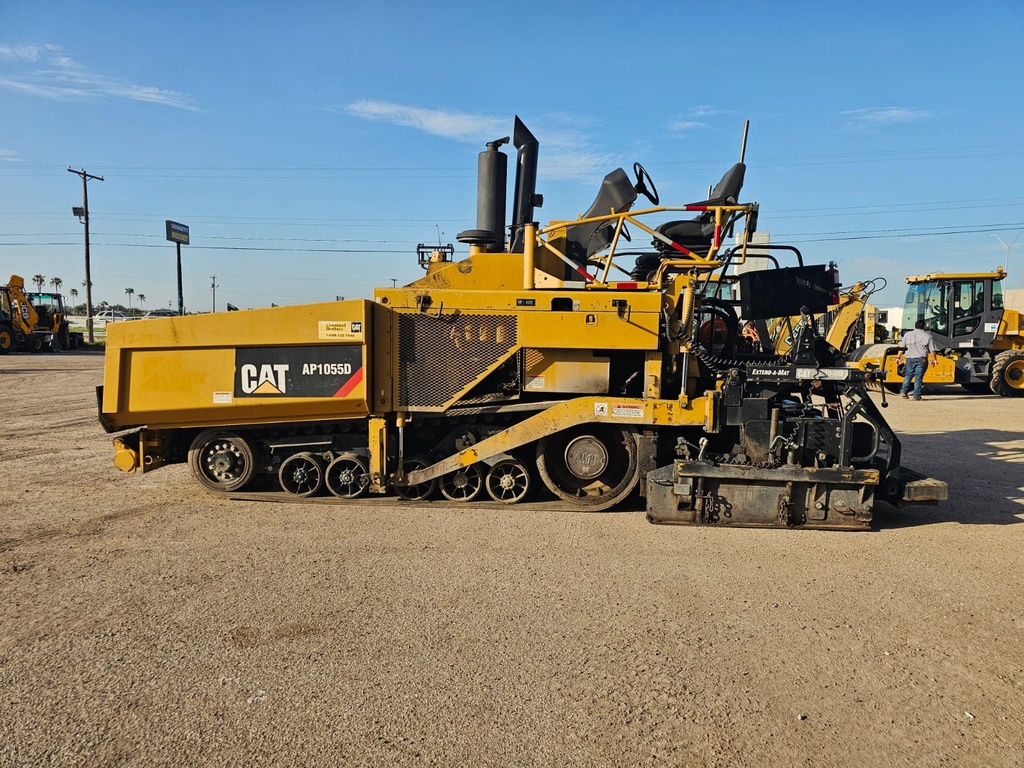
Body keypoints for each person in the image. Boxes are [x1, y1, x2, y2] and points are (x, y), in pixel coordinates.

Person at [895, 320, 939, 401]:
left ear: (915, 326)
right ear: (924, 326)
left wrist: (898, 357)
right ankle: (916, 396)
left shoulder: (907, 335)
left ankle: (904, 391)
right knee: (918, 378)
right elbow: (932, 350)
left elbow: (902, 348)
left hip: (909, 358)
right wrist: (934, 359)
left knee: (908, 375)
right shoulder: (928, 336)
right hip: (921, 359)